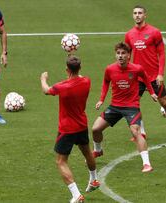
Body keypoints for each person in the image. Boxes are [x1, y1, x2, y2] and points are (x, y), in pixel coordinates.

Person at [40, 55, 100, 203]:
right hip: (81, 125)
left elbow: (46, 90)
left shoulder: (62, 86)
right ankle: (94, 180)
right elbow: (76, 76)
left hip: (67, 129)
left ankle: (76, 195)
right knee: (87, 152)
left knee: (61, 161)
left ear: (67, 69)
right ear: (80, 68)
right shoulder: (87, 81)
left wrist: (43, 78)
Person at [125, 5, 166, 141]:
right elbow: (127, 55)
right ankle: (141, 132)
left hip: (154, 76)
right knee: (133, 105)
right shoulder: (129, 34)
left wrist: (161, 74)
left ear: (145, 15)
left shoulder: (154, 32)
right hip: (137, 77)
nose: (137, 15)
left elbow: (162, 54)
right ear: (133, 15)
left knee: (165, 103)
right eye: (135, 13)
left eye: (140, 13)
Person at [92, 42, 158, 173]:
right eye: (118, 53)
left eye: (123, 53)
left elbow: (146, 79)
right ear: (115, 55)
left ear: (129, 55)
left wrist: (152, 93)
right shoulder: (110, 69)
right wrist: (101, 100)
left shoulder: (137, 68)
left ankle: (146, 164)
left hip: (131, 107)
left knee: (136, 132)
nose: (120, 56)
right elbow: (105, 83)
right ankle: (98, 150)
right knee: (95, 129)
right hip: (115, 106)